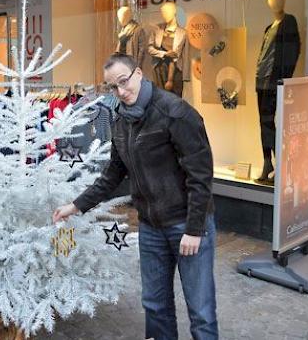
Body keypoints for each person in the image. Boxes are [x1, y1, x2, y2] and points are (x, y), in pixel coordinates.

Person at [53, 54, 218, 340]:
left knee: (200, 311)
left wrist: (194, 229)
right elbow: (112, 175)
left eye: (123, 82)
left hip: (186, 226)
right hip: (151, 227)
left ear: (139, 73)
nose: (120, 91)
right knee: (155, 305)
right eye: (112, 87)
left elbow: (201, 176)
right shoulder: (121, 121)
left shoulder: (174, 112)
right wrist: (76, 205)